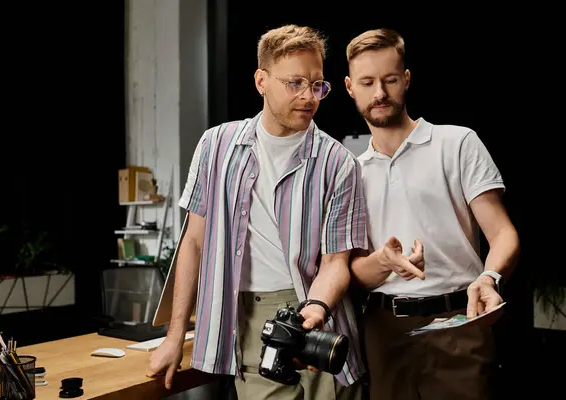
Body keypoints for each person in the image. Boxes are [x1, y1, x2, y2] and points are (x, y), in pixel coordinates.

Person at [147, 24, 368, 400]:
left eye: (317, 85)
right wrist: (174, 337)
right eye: (295, 83)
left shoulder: (339, 163)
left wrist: (315, 309)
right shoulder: (216, 145)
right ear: (261, 80)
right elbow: (194, 244)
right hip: (249, 318)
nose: (309, 96)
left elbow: (335, 262)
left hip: (320, 317)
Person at [344, 28, 521, 400]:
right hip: (382, 331)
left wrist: (489, 278)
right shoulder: (349, 172)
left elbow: (503, 234)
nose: (379, 93)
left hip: (458, 322)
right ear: (349, 87)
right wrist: (384, 261)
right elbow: (352, 272)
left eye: (390, 80)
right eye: (368, 82)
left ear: (406, 80)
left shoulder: (456, 143)